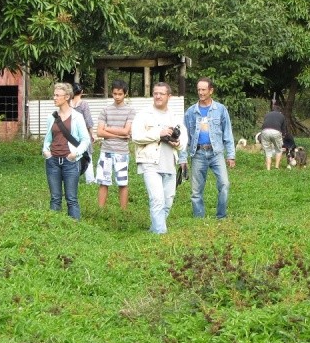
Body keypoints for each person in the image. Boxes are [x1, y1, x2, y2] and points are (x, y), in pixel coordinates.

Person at [131, 82, 187, 234]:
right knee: (157, 199)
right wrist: (159, 133)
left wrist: (178, 142)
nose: (158, 96)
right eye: (155, 93)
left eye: (161, 93)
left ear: (169, 96)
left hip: (170, 163)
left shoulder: (174, 116)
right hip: (150, 162)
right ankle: (161, 235)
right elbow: (135, 137)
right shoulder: (143, 114)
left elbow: (184, 139)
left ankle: (154, 230)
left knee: (167, 202)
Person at [180, 77, 235, 219]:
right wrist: (182, 157)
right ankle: (199, 219)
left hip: (216, 152)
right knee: (196, 190)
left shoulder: (221, 110)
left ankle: (221, 216)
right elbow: (184, 137)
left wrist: (230, 155)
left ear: (211, 90)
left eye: (204, 89)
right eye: (199, 89)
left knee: (224, 184)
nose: (201, 92)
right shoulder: (191, 112)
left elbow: (227, 133)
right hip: (197, 153)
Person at [42, 82, 91, 220]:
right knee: (55, 198)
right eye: (54, 95)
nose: (54, 98)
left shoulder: (77, 117)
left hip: (70, 162)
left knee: (71, 199)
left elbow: (85, 139)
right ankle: (54, 230)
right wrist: (46, 151)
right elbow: (48, 138)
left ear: (67, 97)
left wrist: (75, 154)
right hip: (53, 162)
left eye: (58, 95)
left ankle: (75, 231)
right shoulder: (51, 117)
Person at [96, 80, 136, 210]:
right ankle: (100, 211)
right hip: (106, 150)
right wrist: (119, 135)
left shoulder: (130, 111)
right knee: (103, 182)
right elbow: (99, 132)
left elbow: (127, 131)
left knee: (122, 182)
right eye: (114, 94)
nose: (117, 96)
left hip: (122, 152)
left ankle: (123, 212)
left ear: (125, 94)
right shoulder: (105, 110)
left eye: (120, 94)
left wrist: (108, 128)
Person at [70, 82, 96, 184]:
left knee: (72, 155)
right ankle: (90, 180)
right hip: (83, 134)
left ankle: (71, 178)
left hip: (71, 135)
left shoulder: (68, 104)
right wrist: (92, 134)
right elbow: (88, 121)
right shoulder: (83, 104)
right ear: (82, 92)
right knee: (87, 155)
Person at [260, 105, 287, 170]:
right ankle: (276, 167)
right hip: (276, 131)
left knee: (267, 150)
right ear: (279, 111)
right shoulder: (281, 116)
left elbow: (265, 123)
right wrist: (283, 136)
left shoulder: (267, 114)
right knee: (279, 149)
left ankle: (268, 169)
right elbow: (283, 128)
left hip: (265, 131)